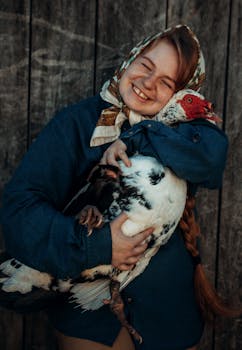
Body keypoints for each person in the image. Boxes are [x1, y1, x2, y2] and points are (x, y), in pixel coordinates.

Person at [0, 25, 230, 350]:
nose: (148, 84)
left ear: (181, 94)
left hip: (168, 309)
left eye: (166, 82)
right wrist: (99, 246)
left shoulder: (188, 133)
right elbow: (19, 211)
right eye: (145, 66)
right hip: (87, 314)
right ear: (130, 59)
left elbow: (212, 159)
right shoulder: (77, 124)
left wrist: (138, 135)